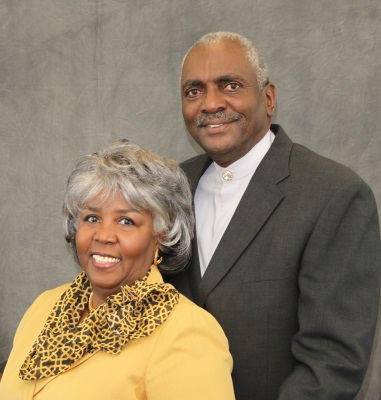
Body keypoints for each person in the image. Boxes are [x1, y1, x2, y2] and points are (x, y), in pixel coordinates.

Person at [165, 32, 381, 400]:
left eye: (230, 85)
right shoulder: (168, 190)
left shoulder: (335, 195)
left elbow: (332, 364)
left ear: (268, 98)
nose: (210, 103)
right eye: (194, 91)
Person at [0, 139, 235, 399]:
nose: (104, 235)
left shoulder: (186, 331)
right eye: (92, 218)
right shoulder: (45, 306)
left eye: (126, 221)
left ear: (161, 235)